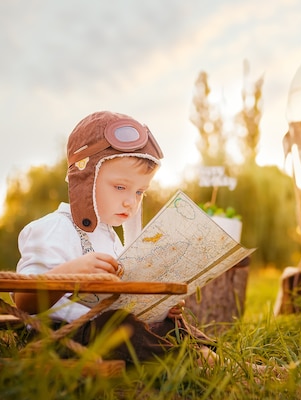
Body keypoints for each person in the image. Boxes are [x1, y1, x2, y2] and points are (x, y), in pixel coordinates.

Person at [13, 110, 214, 364]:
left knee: (169, 323)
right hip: (61, 336)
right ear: (85, 179)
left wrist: (159, 307)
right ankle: (194, 361)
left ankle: (210, 356)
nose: (131, 201)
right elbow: (23, 301)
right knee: (121, 327)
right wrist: (72, 273)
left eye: (140, 192)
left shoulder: (109, 236)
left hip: (104, 327)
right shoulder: (54, 228)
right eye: (120, 187)